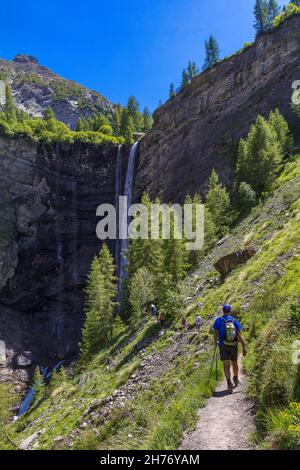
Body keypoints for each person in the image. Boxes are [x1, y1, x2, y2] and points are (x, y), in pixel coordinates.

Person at [213, 304, 247, 392]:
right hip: (233, 345)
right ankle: (235, 378)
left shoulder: (218, 320)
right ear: (230, 311)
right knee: (234, 362)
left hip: (223, 345)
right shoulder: (234, 321)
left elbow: (215, 333)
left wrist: (216, 343)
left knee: (226, 364)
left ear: (223, 311)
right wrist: (244, 347)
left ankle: (229, 382)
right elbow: (239, 335)